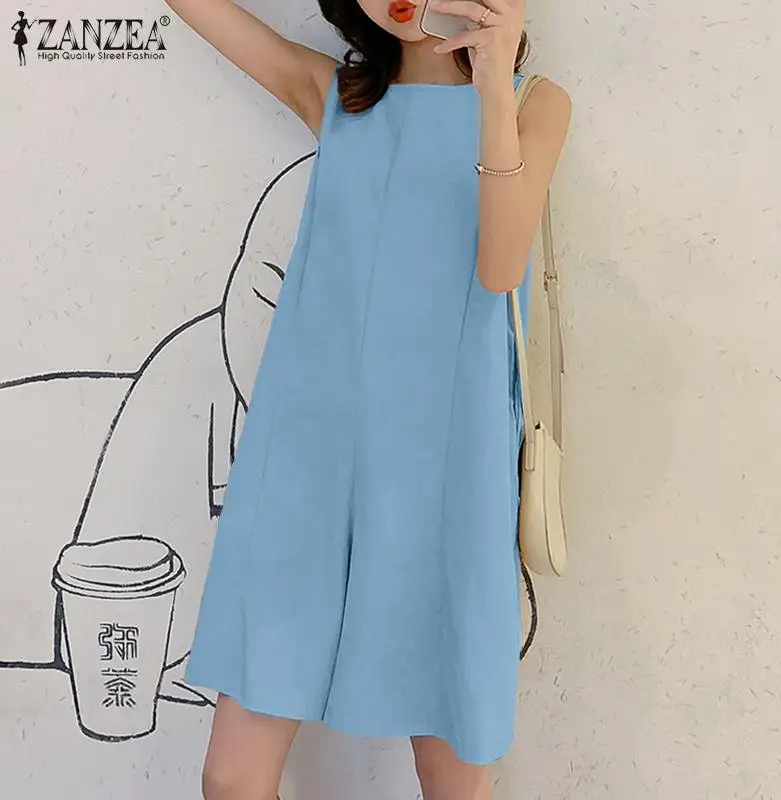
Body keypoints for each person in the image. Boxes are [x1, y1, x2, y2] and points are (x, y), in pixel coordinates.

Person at [164, 0, 571, 797]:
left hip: (445, 471)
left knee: (452, 779)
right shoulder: (335, 97)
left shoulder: (535, 104)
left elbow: (499, 268)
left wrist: (493, 84)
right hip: (306, 468)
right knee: (232, 779)